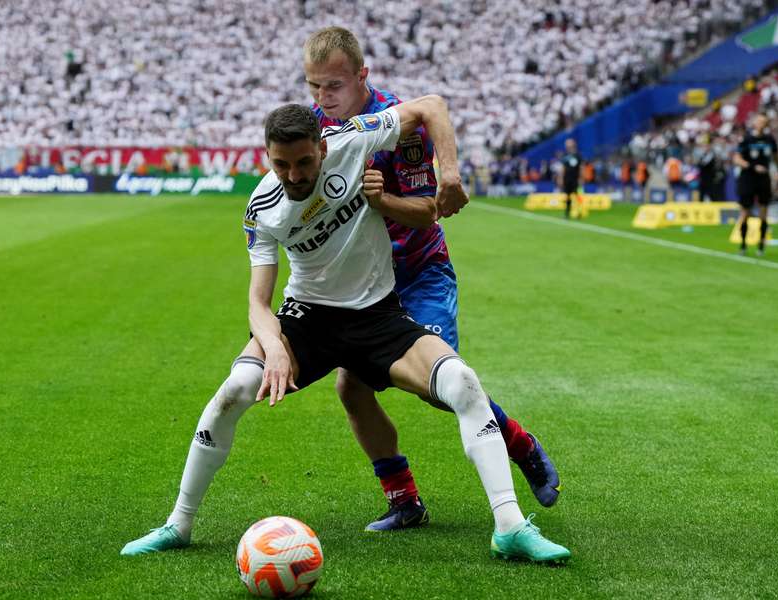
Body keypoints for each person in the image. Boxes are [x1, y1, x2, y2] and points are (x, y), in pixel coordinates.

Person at [121, 97, 571, 563]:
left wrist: (449, 171)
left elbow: (430, 108)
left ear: (322, 145)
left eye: (303, 162)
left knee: (462, 382)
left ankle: (510, 526)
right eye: (281, 165)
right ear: (267, 157)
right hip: (308, 319)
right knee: (235, 389)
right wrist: (274, 346)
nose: (294, 176)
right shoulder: (262, 206)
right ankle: (179, 523)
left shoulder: (353, 139)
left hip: (378, 315)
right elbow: (258, 302)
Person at [302, 27, 559, 531]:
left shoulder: (400, 125)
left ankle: (521, 446)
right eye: (313, 86)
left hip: (419, 272)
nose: (322, 99)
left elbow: (426, 213)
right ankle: (405, 502)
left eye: (332, 86)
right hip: (364, 286)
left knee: (435, 386)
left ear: (362, 77)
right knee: (351, 390)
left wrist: (384, 201)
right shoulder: (315, 127)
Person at [733, 114, 778, 257]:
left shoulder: (770, 140)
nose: (761, 123)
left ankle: (761, 245)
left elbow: (776, 158)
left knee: (763, 212)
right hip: (748, 178)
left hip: (763, 179)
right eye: (759, 121)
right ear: (754, 123)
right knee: (745, 212)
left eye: (764, 121)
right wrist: (751, 167)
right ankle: (743, 245)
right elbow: (736, 158)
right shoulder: (746, 139)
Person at [558, 138, 582, 218]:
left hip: (575, 178)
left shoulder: (578, 155)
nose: (567, 146)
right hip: (567, 179)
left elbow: (581, 167)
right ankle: (567, 213)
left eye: (569, 143)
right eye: (567, 144)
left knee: (577, 195)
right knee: (567, 196)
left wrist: (581, 178)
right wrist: (561, 178)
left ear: (573, 144)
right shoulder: (565, 156)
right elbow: (563, 168)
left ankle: (579, 212)